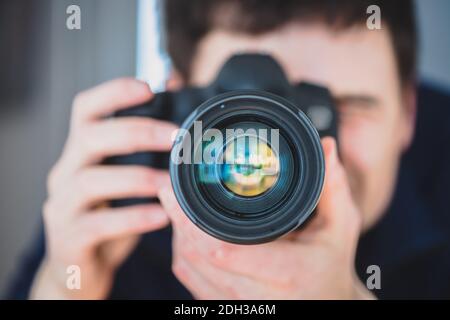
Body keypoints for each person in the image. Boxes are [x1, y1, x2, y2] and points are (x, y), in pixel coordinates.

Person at [5, 0, 450, 299]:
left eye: (341, 109)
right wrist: (67, 287)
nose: (294, 149)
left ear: (409, 112)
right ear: (181, 102)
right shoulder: (122, 197)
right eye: (240, 115)